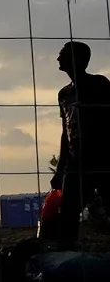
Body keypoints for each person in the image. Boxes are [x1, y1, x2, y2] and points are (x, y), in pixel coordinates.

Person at [52, 41, 110, 245]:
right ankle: (67, 251)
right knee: (68, 212)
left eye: (62, 54)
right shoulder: (64, 94)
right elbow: (64, 132)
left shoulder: (100, 85)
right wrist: (60, 169)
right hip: (76, 163)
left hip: (104, 159)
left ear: (77, 59)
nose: (58, 58)